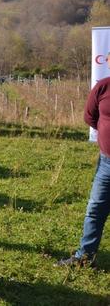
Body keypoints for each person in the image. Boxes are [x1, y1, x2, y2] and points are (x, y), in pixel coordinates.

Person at [56, 76, 110, 267]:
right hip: (107, 163)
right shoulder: (103, 87)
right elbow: (90, 116)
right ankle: (85, 257)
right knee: (95, 210)